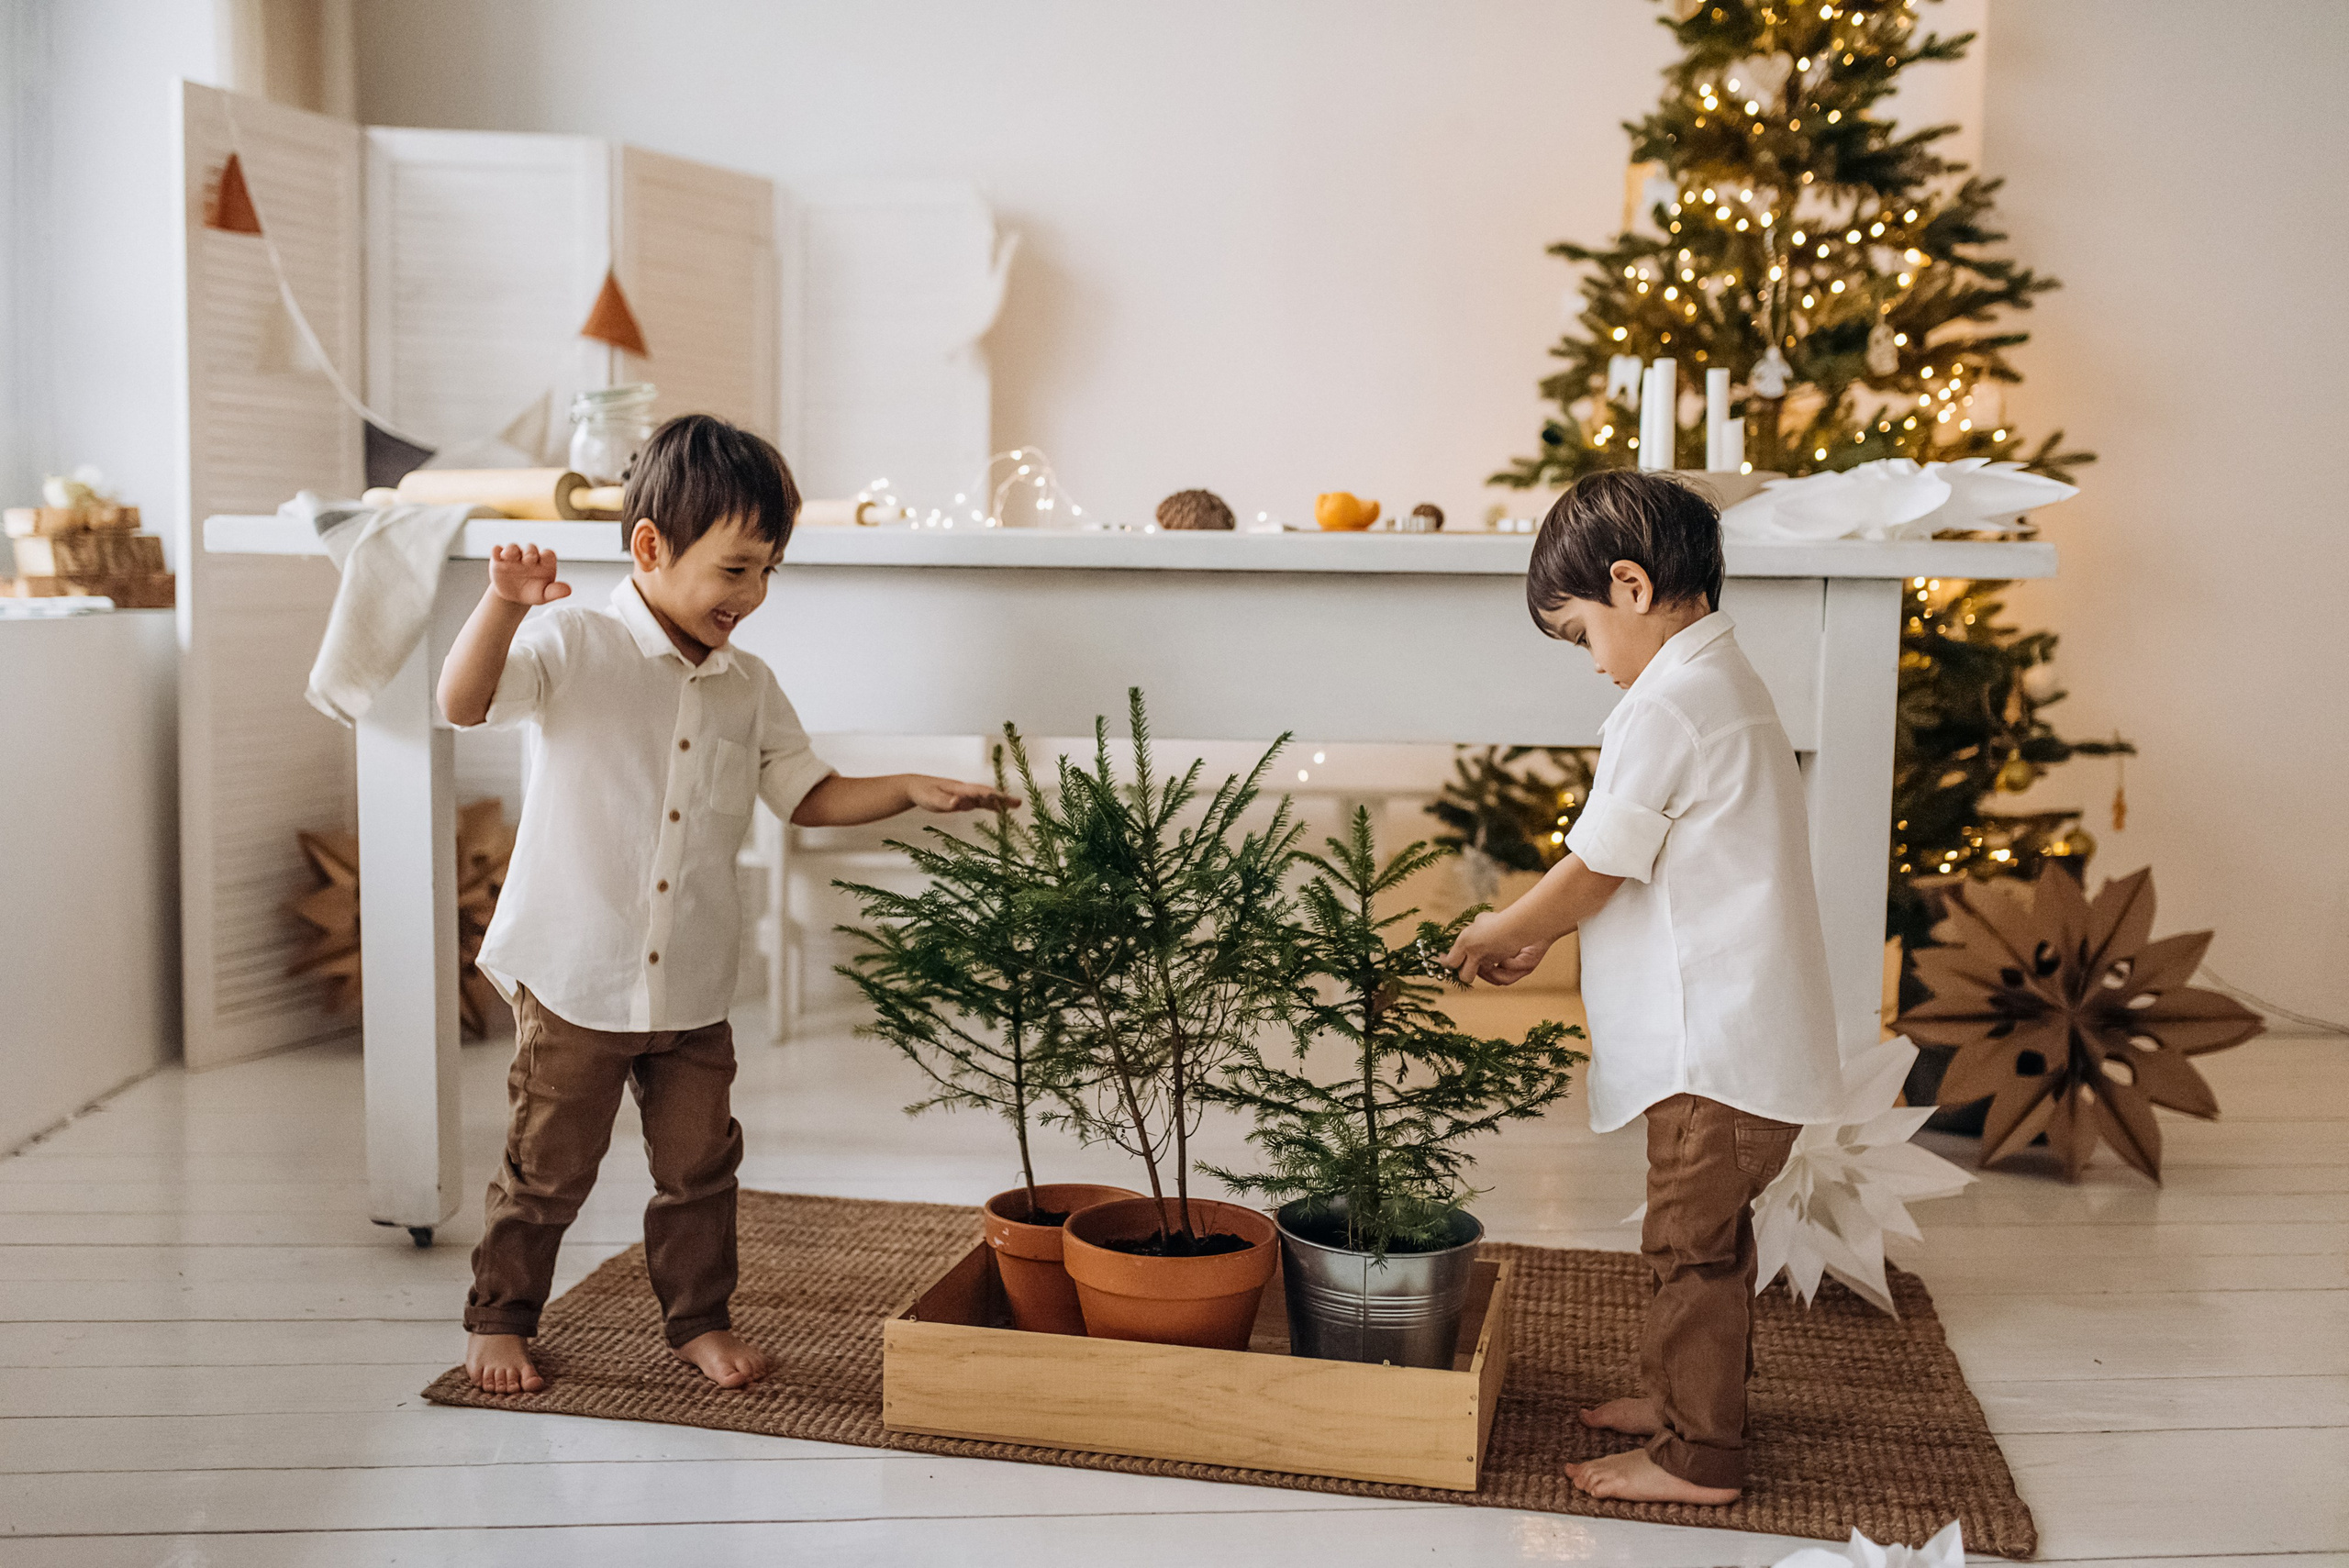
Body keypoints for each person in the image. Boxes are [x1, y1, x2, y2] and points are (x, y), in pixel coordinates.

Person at [438, 414, 1014, 1395]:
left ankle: (697, 1319)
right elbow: (463, 701)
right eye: (735, 569)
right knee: (546, 1167)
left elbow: (806, 794)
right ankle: (501, 1316)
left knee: (701, 1169)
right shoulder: (572, 638)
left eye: (767, 574)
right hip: (578, 970)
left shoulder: (750, 686)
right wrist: (499, 605)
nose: (750, 596)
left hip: (693, 983)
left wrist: (909, 784)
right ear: (651, 547)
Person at [1442, 469, 1842, 1505]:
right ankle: (1678, 1394)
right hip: (1732, 1045)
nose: (1592, 663)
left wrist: (1502, 925)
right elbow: (1641, 863)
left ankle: (1697, 1453)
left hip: (1714, 1052)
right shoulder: (1716, 683)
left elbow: (1599, 862)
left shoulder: (1676, 701)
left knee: (1689, 1251)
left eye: (1578, 633)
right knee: (1701, 1243)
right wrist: (1542, 935)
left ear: (1627, 584)